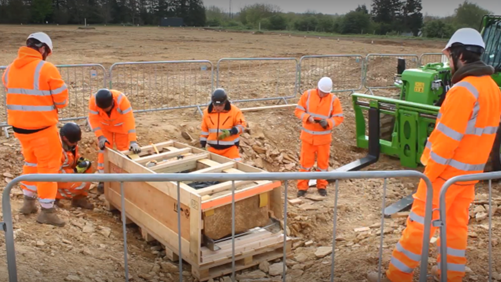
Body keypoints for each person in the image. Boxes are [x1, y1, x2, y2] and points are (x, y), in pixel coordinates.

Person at [368, 28, 501, 282]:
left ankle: (397, 275)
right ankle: (451, 276)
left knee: (420, 225)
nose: (448, 62)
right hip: (469, 174)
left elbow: (445, 141)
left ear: (459, 55)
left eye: (449, 56)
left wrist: (428, 175)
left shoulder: (463, 90)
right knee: (455, 226)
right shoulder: (491, 88)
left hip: (444, 175)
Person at [2, 32, 68, 227]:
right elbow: (62, 101)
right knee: (48, 168)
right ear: (43, 49)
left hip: (20, 129)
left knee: (31, 163)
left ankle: (28, 202)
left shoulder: (9, 69)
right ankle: (47, 211)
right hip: (42, 129)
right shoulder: (46, 69)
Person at [294, 77, 344, 197]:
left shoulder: (333, 100)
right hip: (308, 138)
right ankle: (302, 187)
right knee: (305, 164)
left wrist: (328, 122)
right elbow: (298, 111)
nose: (323, 94)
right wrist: (307, 118)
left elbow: (339, 117)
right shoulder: (308, 95)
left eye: (326, 93)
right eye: (322, 92)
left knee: (323, 165)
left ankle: (322, 186)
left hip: (323, 140)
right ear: (318, 88)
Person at [88, 88, 141, 193]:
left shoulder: (121, 100)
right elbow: (93, 119)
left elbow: (129, 120)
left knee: (124, 150)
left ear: (112, 102)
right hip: (104, 127)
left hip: (121, 127)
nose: (106, 111)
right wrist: (100, 136)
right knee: (104, 151)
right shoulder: (93, 101)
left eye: (107, 109)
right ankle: (102, 179)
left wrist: (133, 141)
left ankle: (126, 178)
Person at [200, 88, 246, 161]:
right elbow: (204, 130)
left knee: (235, 170)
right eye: (215, 105)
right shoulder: (207, 112)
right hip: (212, 149)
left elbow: (242, 126)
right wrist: (202, 144)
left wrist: (232, 132)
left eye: (220, 105)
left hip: (230, 150)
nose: (217, 108)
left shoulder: (234, 111)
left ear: (225, 102)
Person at [56, 122, 94, 210]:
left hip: (68, 174)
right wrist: (74, 171)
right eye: (74, 141)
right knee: (82, 183)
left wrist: (79, 160)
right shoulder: (56, 150)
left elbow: (74, 156)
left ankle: (79, 199)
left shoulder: (71, 145)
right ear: (65, 138)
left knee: (88, 167)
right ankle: (54, 198)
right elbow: (55, 172)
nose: (76, 144)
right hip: (57, 179)